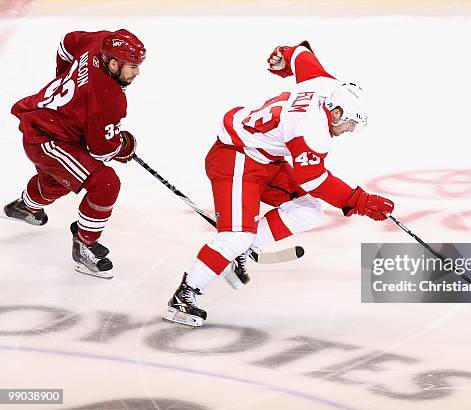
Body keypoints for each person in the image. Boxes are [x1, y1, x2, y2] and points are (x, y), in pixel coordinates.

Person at [163, 41, 394, 327]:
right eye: (349, 124)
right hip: (235, 159)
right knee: (235, 236)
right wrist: (362, 202)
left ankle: (244, 249)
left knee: (309, 210)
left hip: (264, 159)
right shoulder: (311, 129)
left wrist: (284, 54)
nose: (348, 131)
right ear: (335, 113)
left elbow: (301, 55)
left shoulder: (325, 86)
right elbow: (314, 180)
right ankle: (185, 294)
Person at [2, 29, 146, 279]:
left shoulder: (98, 42)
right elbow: (102, 150)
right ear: (113, 63)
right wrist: (123, 145)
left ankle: (26, 207)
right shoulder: (108, 98)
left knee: (58, 180)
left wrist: (64, 77)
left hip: (50, 125)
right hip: (47, 138)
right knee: (105, 183)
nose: (137, 72)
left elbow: (67, 42)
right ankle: (84, 244)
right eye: (132, 66)